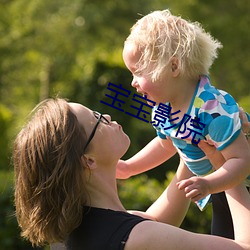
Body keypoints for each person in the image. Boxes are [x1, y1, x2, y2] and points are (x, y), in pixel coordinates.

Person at [13, 98, 250, 250]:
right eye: (97, 120)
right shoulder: (138, 238)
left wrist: (190, 143)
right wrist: (227, 165)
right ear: (88, 160)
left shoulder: (73, 234)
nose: (106, 116)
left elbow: (157, 221)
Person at [118, 9, 250, 239]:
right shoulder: (163, 108)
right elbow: (166, 144)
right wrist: (130, 167)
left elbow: (242, 160)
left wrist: (209, 183)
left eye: (138, 72)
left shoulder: (212, 109)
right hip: (220, 188)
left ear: (173, 67)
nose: (132, 83)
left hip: (239, 185)